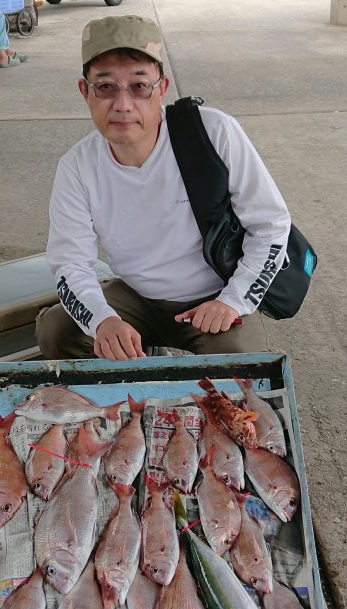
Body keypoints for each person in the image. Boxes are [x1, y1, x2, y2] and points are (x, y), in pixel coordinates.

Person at [36, 15, 291, 362]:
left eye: (139, 86)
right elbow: (70, 264)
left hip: (214, 295)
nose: (123, 105)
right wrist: (104, 321)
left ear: (162, 89)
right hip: (136, 297)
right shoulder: (77, 167)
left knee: (240, 367)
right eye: (105, 86)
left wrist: (232, 301)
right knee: (56, 330)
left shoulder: (214, 133)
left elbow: (271, 225)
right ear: (85, 92)